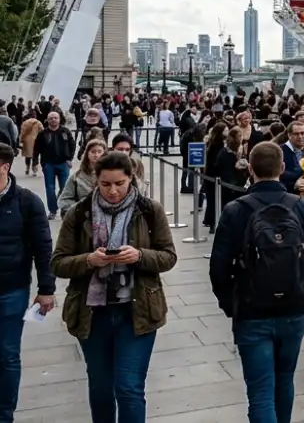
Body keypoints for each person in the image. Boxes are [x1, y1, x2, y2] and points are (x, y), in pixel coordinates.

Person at [51, 151, 177, 423]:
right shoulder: (79, 212)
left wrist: (140, 256)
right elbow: (58, 262)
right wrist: (89, 260)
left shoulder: (149, 210)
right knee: (100, 388)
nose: (113, 191)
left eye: (120, 183)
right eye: (105, 184)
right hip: (92, 314)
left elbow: (168, 256)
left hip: (138, 312)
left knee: (129, 388)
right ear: (95, 180)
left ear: (131, 178)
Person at [209, 141, 304, 423]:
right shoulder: (302, 207)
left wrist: (231, 304)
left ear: (250, 169)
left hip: (252, 310)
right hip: (292, 309)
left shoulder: (235, 210)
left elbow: (218, 267)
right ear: (283, 168)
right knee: (285, 381)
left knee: (260, 391)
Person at [0, 143, 55, 422]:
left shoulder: (27, 201)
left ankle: (4, 414)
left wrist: (46, 289)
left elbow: (43, 248)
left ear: (5, 166)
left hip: (11, 290)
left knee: (7, 355)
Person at [35, 111, 76, 220]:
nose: (53, 120)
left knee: (65, 188)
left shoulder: (65, 132)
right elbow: (37, 149)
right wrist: (36, 163)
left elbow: (72, 145)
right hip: (49, 165)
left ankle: (64, 209)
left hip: (63, 164)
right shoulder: (43, 134)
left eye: (55, 118)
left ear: (59, 119)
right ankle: (52, 210)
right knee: (50, 188)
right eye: (51, 118)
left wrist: (70, 159)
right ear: (47, 120)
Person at [59, 139, 106, 216]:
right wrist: (80, 209)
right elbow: (64, 199)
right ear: (87, 154)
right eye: (93, 152)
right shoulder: (76, 177)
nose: (96, 155)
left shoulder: (112, 175)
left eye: (99, 152)